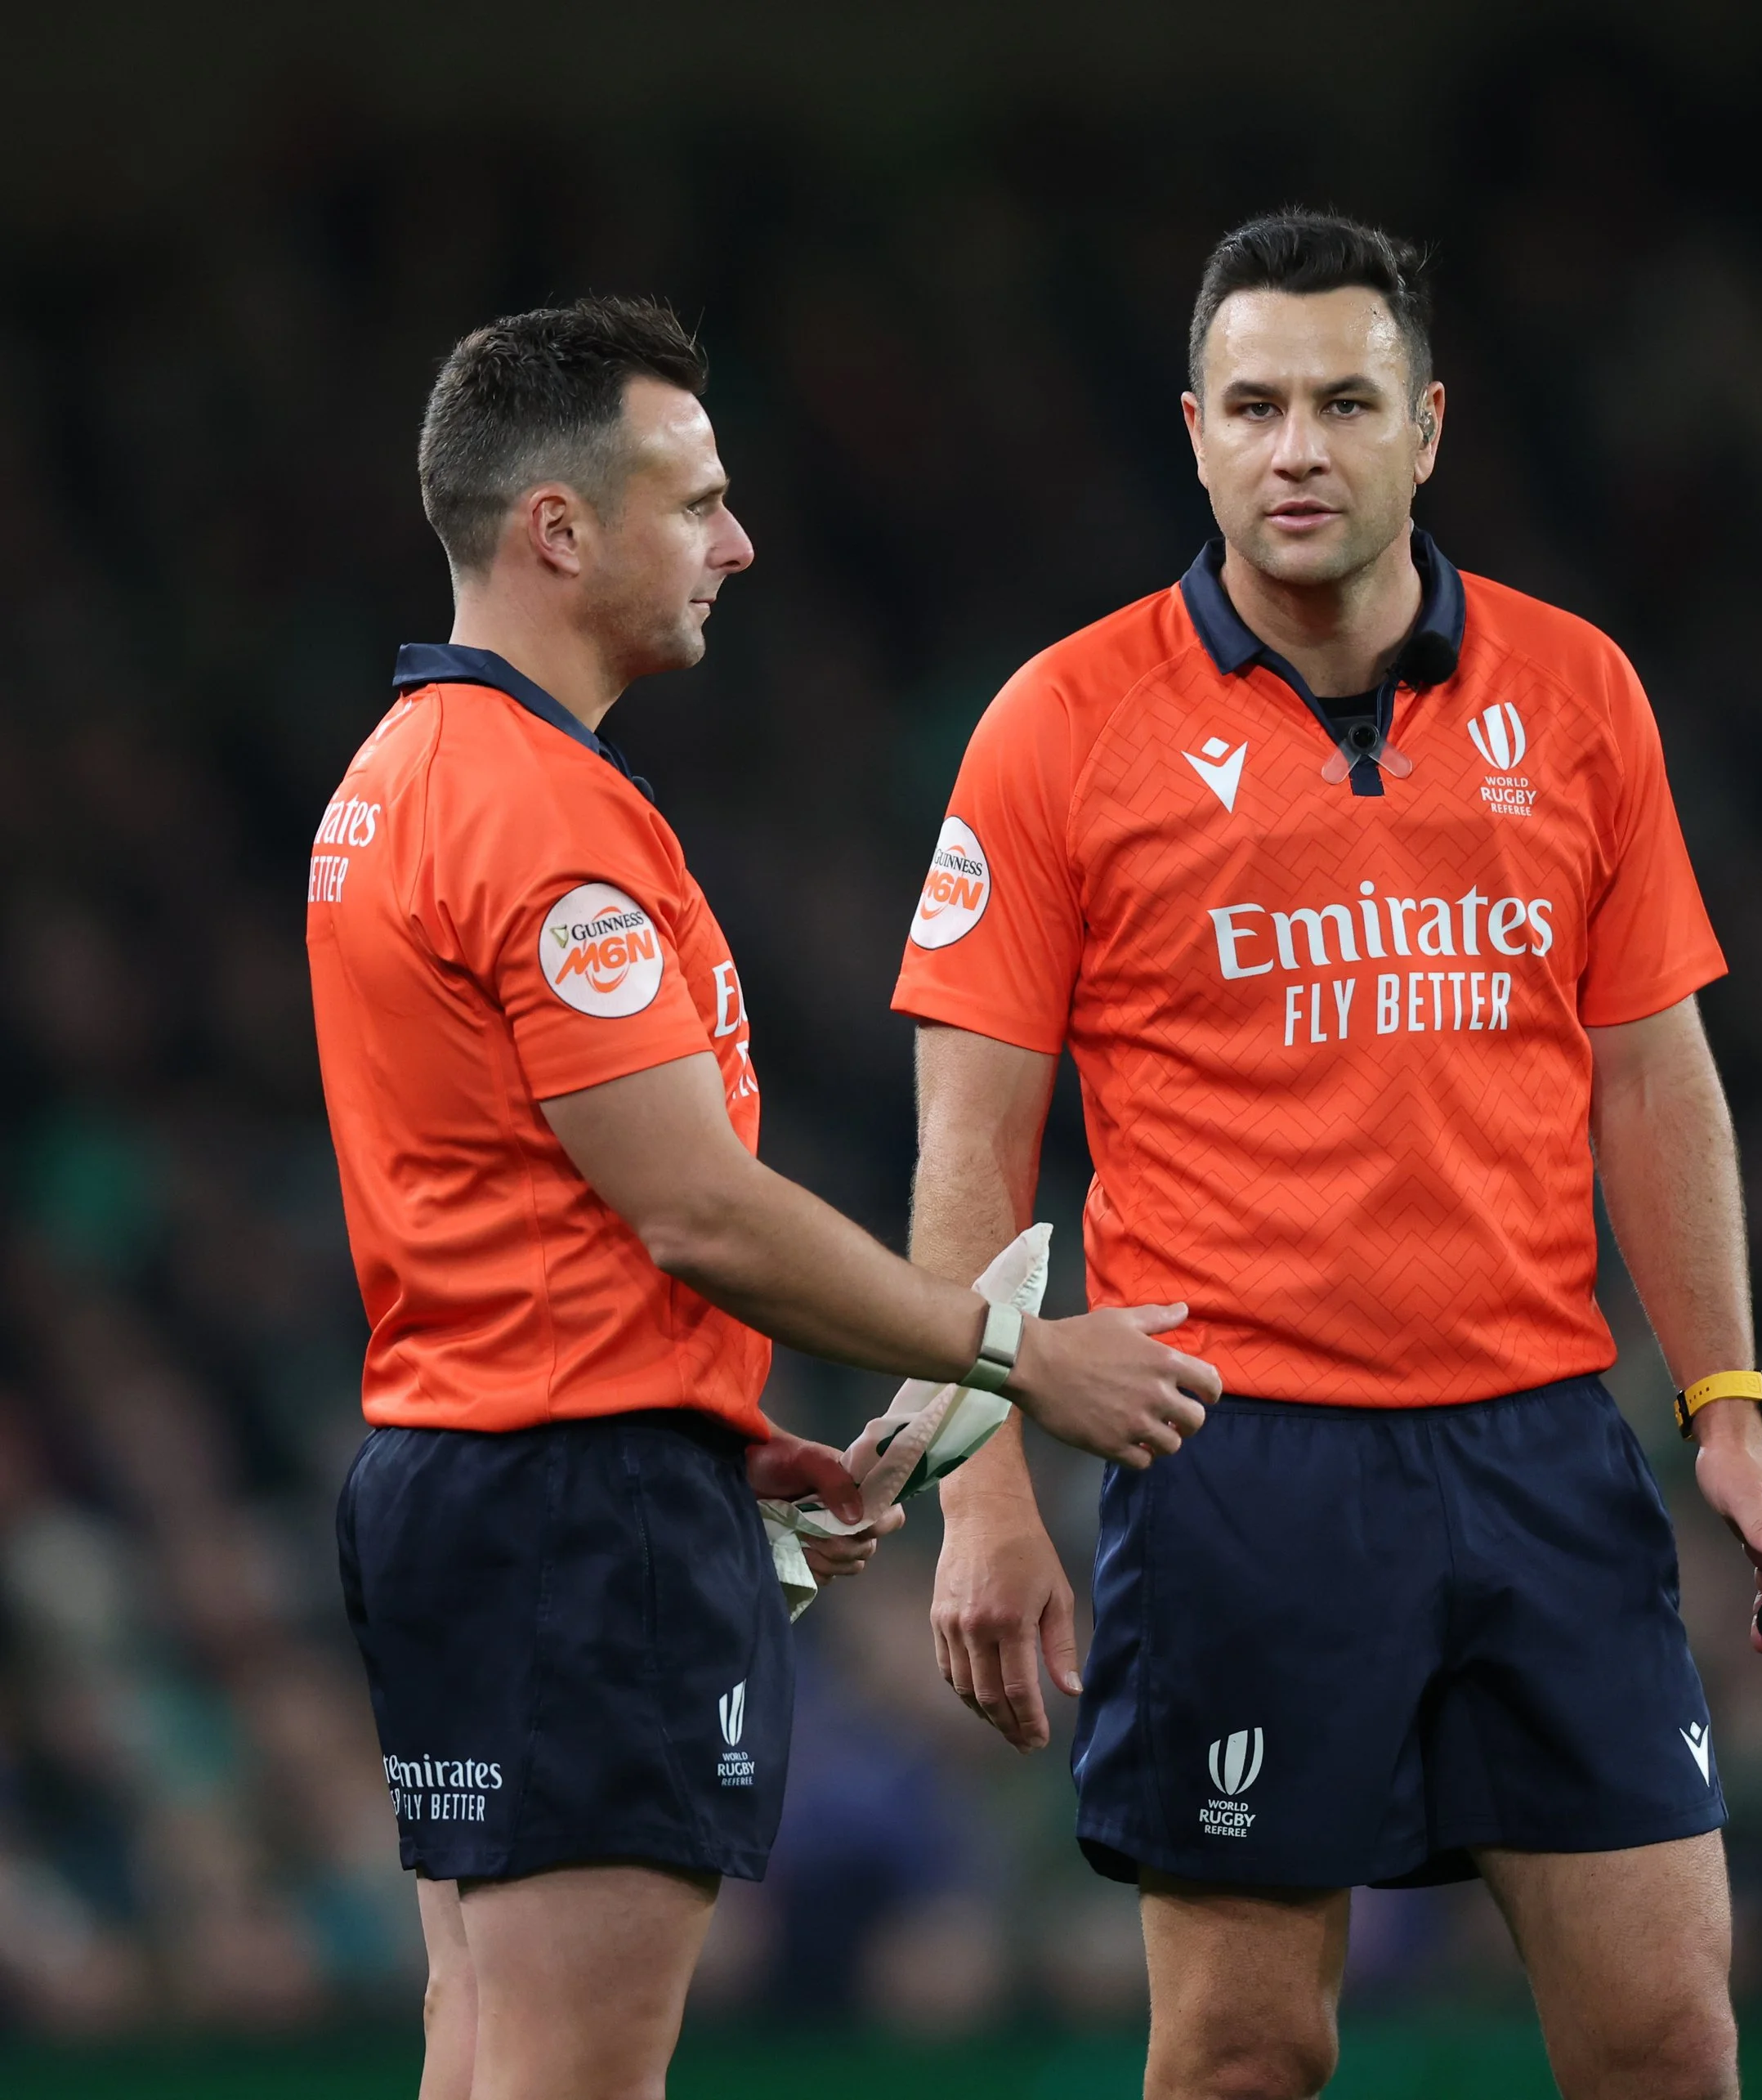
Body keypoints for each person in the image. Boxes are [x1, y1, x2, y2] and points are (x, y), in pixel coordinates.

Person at [894, 214, 1762, 2100]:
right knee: (1244, 2050)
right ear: (1191, 432)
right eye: (1252, 406)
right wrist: (977, 1495)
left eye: (1342, 402)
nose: (1294, 448)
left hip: (1538, 1453)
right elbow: (974, 1141)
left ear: (1426, 428)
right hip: (1237, 1469)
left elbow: (1656, 1083)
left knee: (1666, 2041)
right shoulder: (1059, 723)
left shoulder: (1578, 696)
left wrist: (1725, 1407)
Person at [306, 296, 1219, 2100]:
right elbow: (697, 1215)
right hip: (576, 1522)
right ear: (557, 528)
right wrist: (1014, 1359)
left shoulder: (395, 778)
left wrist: (714, 1423)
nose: (740, 542)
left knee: (480, 2051)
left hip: (476, 1484)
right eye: (696, 500)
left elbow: (545, 1214)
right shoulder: (536, 816)